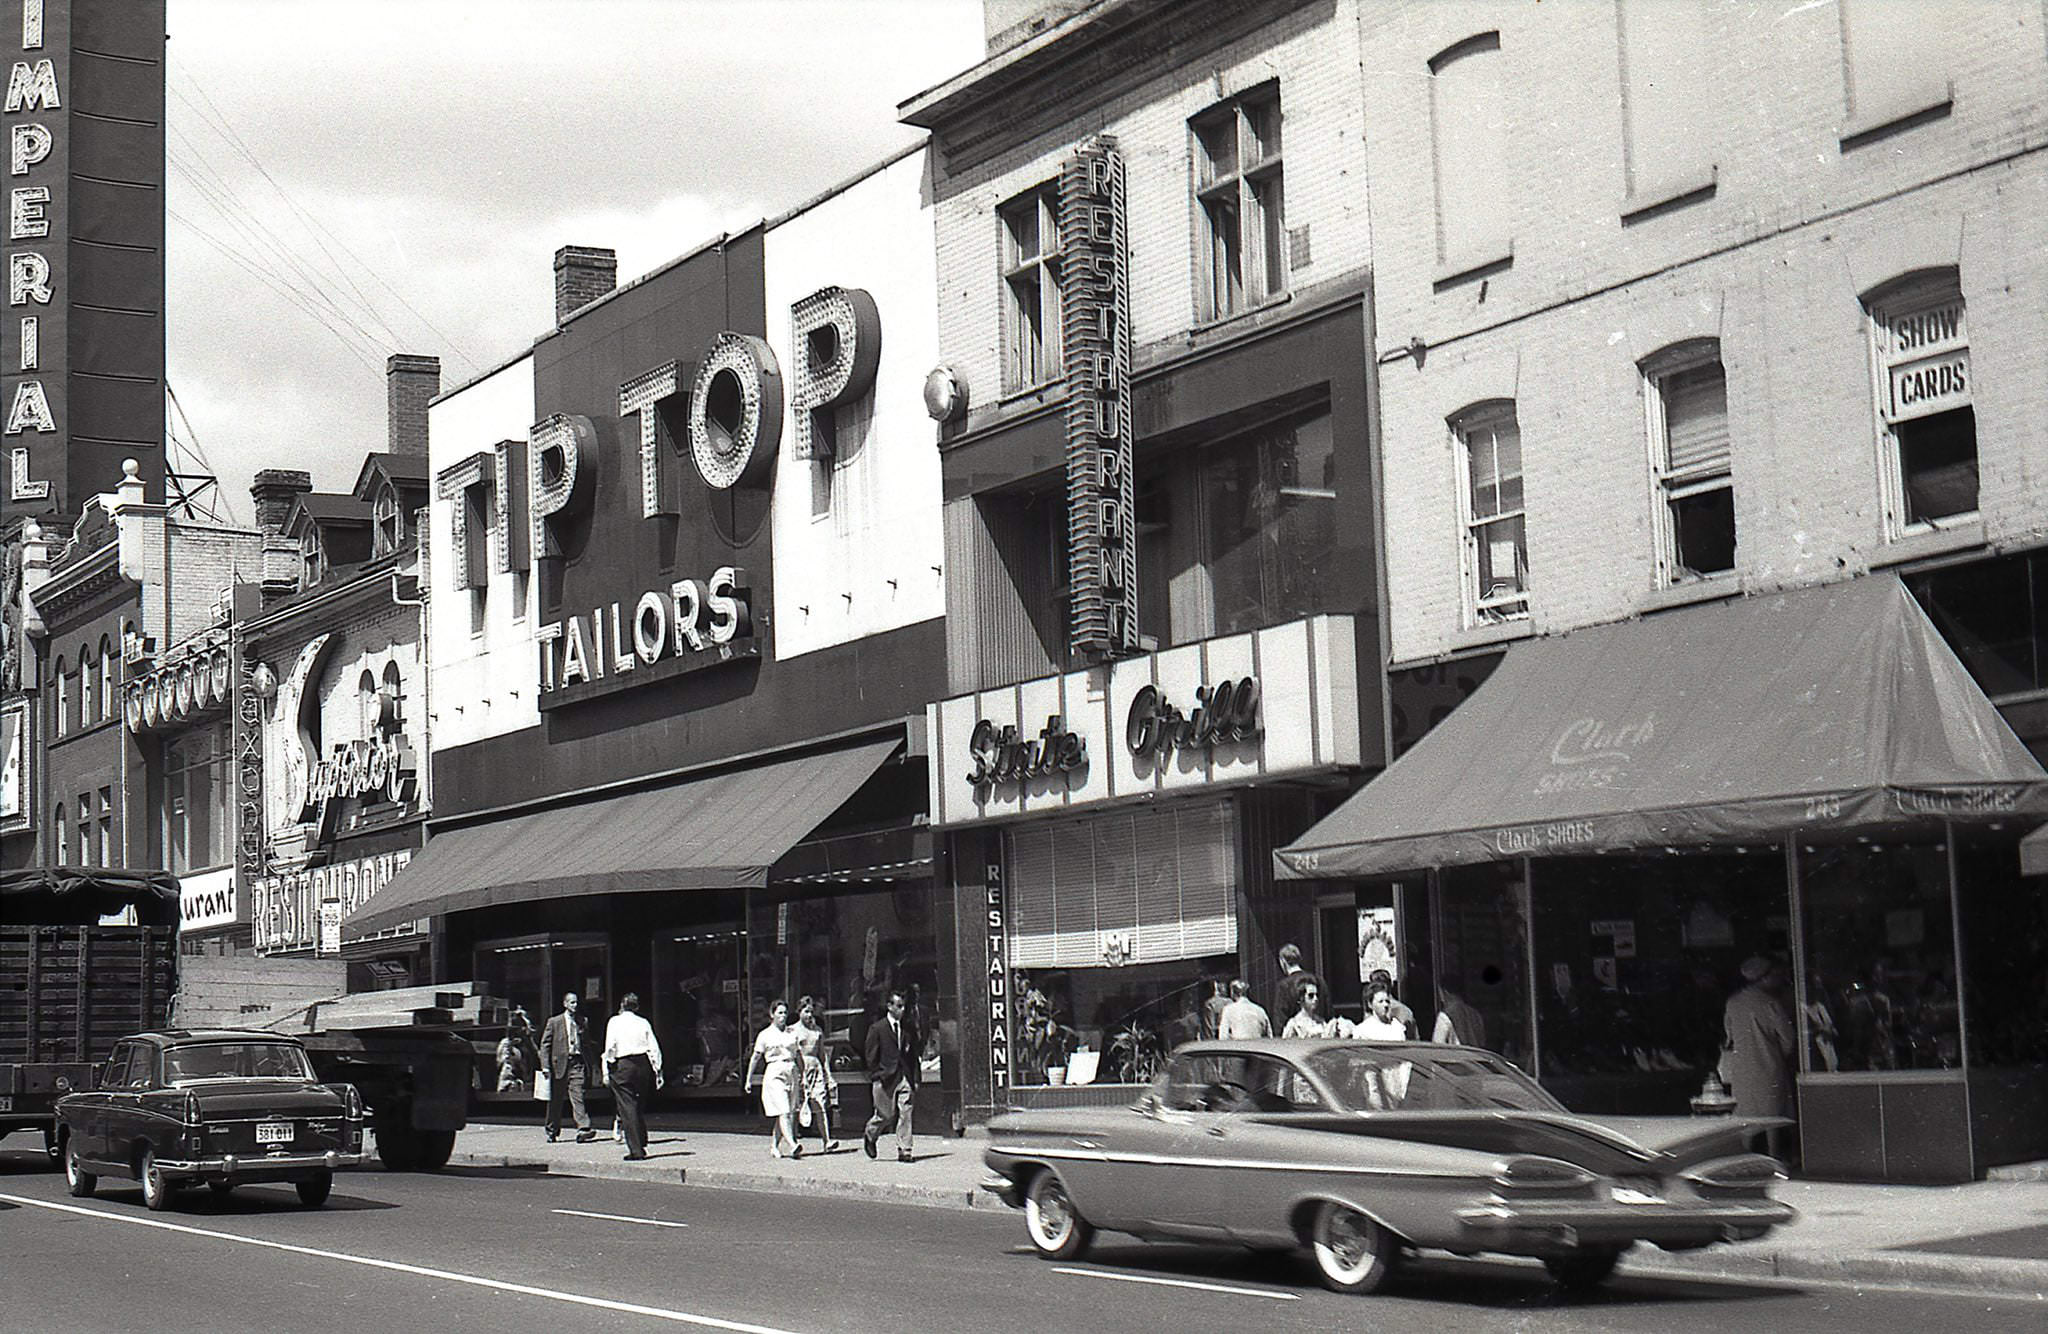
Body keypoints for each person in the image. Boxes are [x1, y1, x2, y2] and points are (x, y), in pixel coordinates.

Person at [1723, 956, 1796, 1159]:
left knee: (1746, 1116)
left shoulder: (1733, 1002)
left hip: (1742, 1068)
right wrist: (1779, 1055)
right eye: (1775, 976)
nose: (1778, 979)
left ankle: (1744, 1158)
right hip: (1769, 1066)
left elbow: (1729, 1035)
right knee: (1772, 1117)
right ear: (1764, 978)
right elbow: (1788, 1038)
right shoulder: (1770, 1003)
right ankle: (1774, 1157)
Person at [602, 992, 663, 1161]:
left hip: (623, 1064)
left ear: (622, 1005)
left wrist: (608, 1066)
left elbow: (610, 1047)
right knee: (638, 1103)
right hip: (642, 1064)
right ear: (636, 1007)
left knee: (627, 1106)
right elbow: (653, 1047)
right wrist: (657, 1069)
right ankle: (641, 1138)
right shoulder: (643, 1022)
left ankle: (636, 1149)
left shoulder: (614, 1021)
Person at [862, 987, 920, 1163]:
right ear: (889, 1006)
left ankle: (905, 1150)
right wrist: (876, 1075)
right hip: (885, 1077)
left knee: (906, 1111)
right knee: (885, 1115)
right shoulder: (878, 1028)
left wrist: (916, 1078)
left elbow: (913, 1055)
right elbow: (870, 1055)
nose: (902, 1010)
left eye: (903, 1006)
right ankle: (870, 1134)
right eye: (899, 1006)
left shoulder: (907, 1028)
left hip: (904, 1076)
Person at [745, 998, 806, 1159]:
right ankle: (793, 1145)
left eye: (785, 1013)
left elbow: (799, 1055)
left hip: (791, 1071)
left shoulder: (792, 1033)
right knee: (784, 1111)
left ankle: (774, 1146)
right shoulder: (765, 1035)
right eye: (779, 1013)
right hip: (774, 1072)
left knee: (788, 1113)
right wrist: (748, 1079)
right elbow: (755, 1057)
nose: (783, 1016)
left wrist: (803, 1075)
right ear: (772, 1014)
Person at [538, 991, 596, 1143]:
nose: (575, 1005)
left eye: (576, 1002)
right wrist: (545, 1066)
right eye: (572, 1003)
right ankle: (552, 1130)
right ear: (565, 1004)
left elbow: (587, 1045)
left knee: (578, 1096)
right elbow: (545, 1045)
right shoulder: (554, 1022)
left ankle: (583, 1128)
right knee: (556, 1101)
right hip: (559, 1066)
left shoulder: (583, 1021)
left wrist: (592, 1064)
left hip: (577, 1063)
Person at [791, 994, 840, 1153]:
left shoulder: (817, 1031)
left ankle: (827, 1141)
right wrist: (799, 1073)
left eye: (811, 1011)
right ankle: (793, 1141)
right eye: (806, 1011)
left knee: (820, 1105)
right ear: (799, 1012)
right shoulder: (793, 1031)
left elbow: (822, 1055)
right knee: (797, 1107)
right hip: (800, 1070)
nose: (809, 1015)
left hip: (816, 1069)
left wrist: (828, 1075)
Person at [1281, 979, 1353, 1039]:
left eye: (1317, 995)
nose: (1315, 999)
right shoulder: (1294, 1024)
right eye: (1311, 995)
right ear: (1301, 998)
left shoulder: (1320, 1021)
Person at [1274, 944, 1321, 1026]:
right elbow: (1329, 1013)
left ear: (1283, 962)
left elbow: (1280, 1020)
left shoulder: (1283, 986)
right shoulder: (1319, 981)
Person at [1432, 983, 1486, 1048]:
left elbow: (1438, 1046)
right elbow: (1482, 1042)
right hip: (1476, 1056)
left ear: (1445, 992)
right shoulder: (1476, 1014)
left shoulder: (1444, 1015)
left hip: (1455, 1056)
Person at [496, 1007, 533, 1092]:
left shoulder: (527, 1043)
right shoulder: (507, 1043)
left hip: (526, 1084)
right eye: (521, 1027)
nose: (524, 1030)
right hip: (510, 1084)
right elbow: (503, 1063)